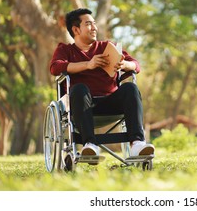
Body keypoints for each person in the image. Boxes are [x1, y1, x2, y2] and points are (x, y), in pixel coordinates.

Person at [50, 8, 154, 158]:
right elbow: (55, 67)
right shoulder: (65, 50)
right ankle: (90, 145)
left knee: (130, 88)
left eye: (94, 23)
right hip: (82, 106)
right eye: (89, 24)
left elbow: (136, 65)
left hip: (110, 102)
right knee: (79, 89)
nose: (95, 28)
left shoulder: (107, 47)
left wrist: (124, 65)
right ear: (76, 29)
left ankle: (137, 144)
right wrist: (88, 64)